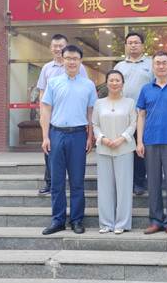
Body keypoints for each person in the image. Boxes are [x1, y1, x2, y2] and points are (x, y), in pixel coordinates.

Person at [40, 45, 97, 235]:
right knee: (57, 181)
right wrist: (45, 136)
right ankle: (57, 220)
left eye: (75, 58)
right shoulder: (53, 82)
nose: (71, 62)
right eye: (68, 58)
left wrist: (90, 136)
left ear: (80, 61)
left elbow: (91, 111)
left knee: (77, 181)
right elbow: (46, 110)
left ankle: (77, 220)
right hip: (57, 134)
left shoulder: (88, 85)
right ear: (62, 59)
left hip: (79, 135)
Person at [136, 51, 167, 237]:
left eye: (164, 62)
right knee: (153, 183)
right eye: (157, 63)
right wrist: (139, 141)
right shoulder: (145, 89)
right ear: (153, 66)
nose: (161, 66)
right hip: (150, 141)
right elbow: (141, 116)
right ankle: (156, 220)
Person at [36, 34, 88, 195]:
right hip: (53, 119)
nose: (58, 49)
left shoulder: (79, 67)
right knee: (49, 152)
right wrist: (42, 115)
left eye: (61, 46)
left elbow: (84, 91)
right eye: (55, 46)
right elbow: (42, 93)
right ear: (51, 48)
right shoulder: (46, 68)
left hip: (72, 121)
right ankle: (49, 182)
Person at [92, 70, 137, 234]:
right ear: (106, 83)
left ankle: (122, 223)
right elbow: (95, 124)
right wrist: (102, 138)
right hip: (104, 148)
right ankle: (106, 223)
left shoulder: (130, 103)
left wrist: (121, 138)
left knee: (124, 187)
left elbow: (133, 124)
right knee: (105, 188)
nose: (114, 83)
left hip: (124, 148)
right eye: (111, 80)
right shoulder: (99, 103)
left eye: (118, 80)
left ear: (122, 83)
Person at [114, 32, 154, 195]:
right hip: (123, 114)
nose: (133, 45)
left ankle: (139, 182)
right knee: (124, 148)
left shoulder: (151, 64)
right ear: (126, 46)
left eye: (136, 42)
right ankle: (124, 181)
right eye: (130, 43)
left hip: (145, 114)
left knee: (140, 149)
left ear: (142, 45)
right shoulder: (119, 66)